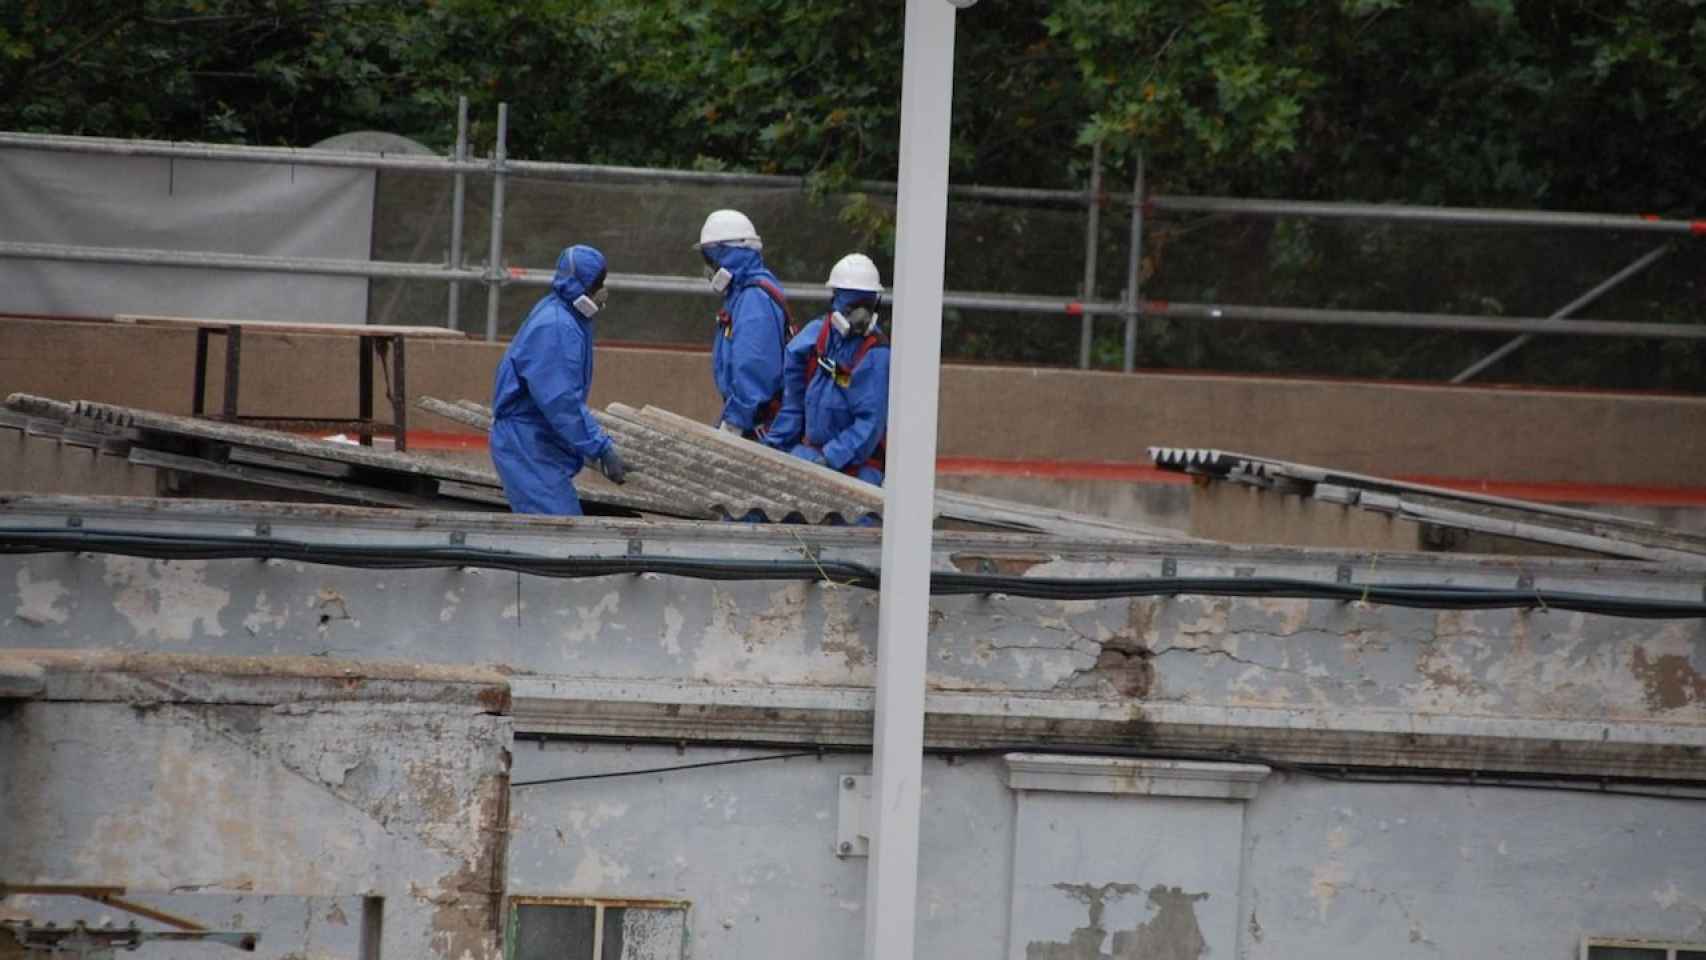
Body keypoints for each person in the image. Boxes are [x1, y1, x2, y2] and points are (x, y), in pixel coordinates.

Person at [489, 244, 627, 516]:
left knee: (555, 534)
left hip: (536, 439)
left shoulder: (562, 314)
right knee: (558, 537)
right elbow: (561, 401)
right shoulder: (557, 326)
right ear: (583, 287)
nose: (602, 291)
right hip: (528, 444)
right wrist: (600, 447)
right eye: (598, 284)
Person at [764, 253, 890, 486]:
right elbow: (793, 403)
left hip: (856, 469)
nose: (860, 316)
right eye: (853, 306)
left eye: (867, 305)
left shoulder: (875, 353)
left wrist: (830, 459)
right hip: (810, 456)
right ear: (835, 300)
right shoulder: (813, 340)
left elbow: (870, 423)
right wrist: (774, 447)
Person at [695, 209, 793, 439]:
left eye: (710, 260)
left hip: (757, 429)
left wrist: (733, 425)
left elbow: (754, 370)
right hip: (747, 420)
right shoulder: (740, 295)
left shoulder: (754, 299)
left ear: (725, 255)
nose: (708, 269)